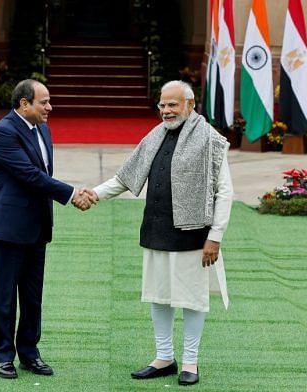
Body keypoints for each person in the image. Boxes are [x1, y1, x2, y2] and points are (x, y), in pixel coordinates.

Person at [79, 80, 233, 386]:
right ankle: (164, 357)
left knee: (192, 299)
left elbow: (224, 192)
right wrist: (94, 194)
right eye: (162, 105)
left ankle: (190, 362)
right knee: (159, 297)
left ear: (190, 105)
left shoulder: (211, 140)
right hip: (156, 230)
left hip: (193, 234)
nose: (165, 111)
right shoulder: (156, 136)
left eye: (172, 105)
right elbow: (126, 177)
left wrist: (215, 236)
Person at [0, 79, 95, 379]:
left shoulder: (43, 129)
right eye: (44, 102)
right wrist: (71, 194)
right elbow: (29, 175)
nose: (50, 107)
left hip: (36, 228)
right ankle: (4, 355)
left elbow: (41, 175)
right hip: (7, 228)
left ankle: (29, 353)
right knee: (4, 296)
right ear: (24, 104)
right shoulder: (2, 133)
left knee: (32, 296)